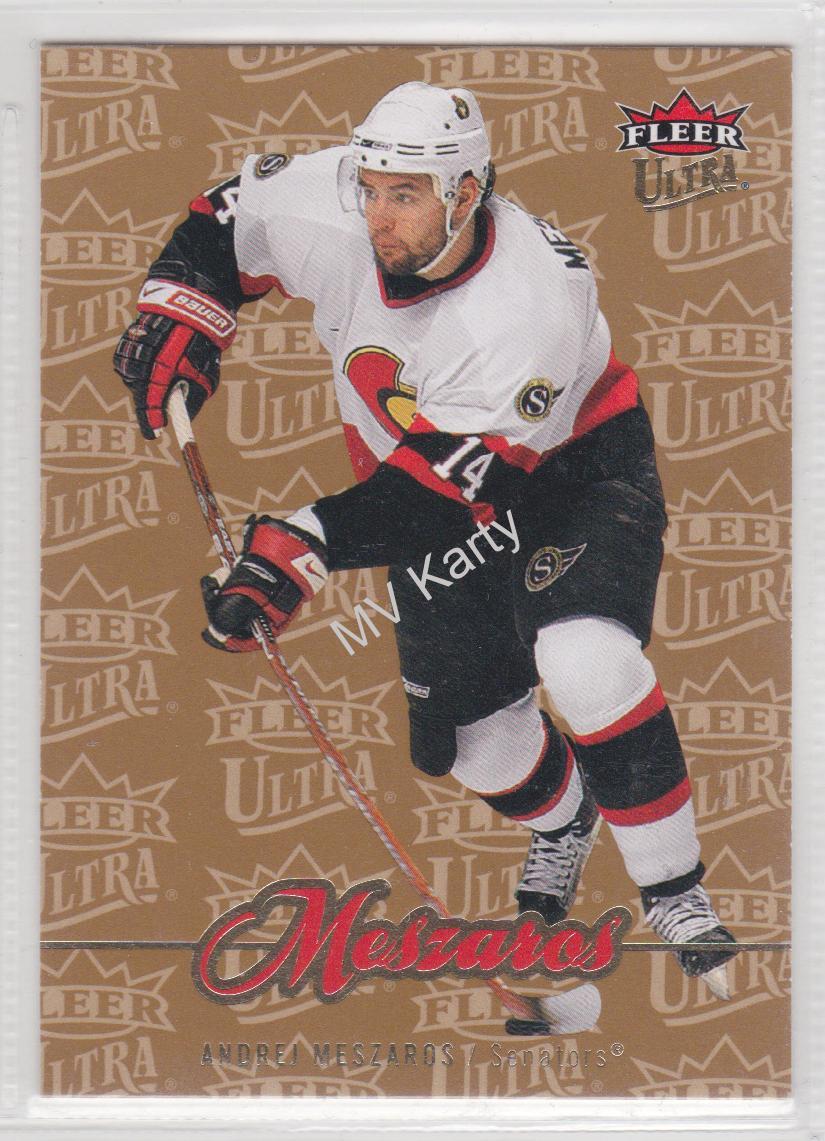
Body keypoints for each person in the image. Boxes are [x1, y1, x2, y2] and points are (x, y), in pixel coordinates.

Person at [114, 81, 738, 1000]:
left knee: (583, 659)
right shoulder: (333, 202)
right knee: (477, 749)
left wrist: (302, 543)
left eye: (404, 196)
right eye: (369, 189)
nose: (376, 216)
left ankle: (675, 891)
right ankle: (567, 821)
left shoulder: (528, 302)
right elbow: (225, 220)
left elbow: (446, 494)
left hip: (567, 471)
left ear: (467, 190)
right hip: (414, 483)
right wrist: (185, 313)